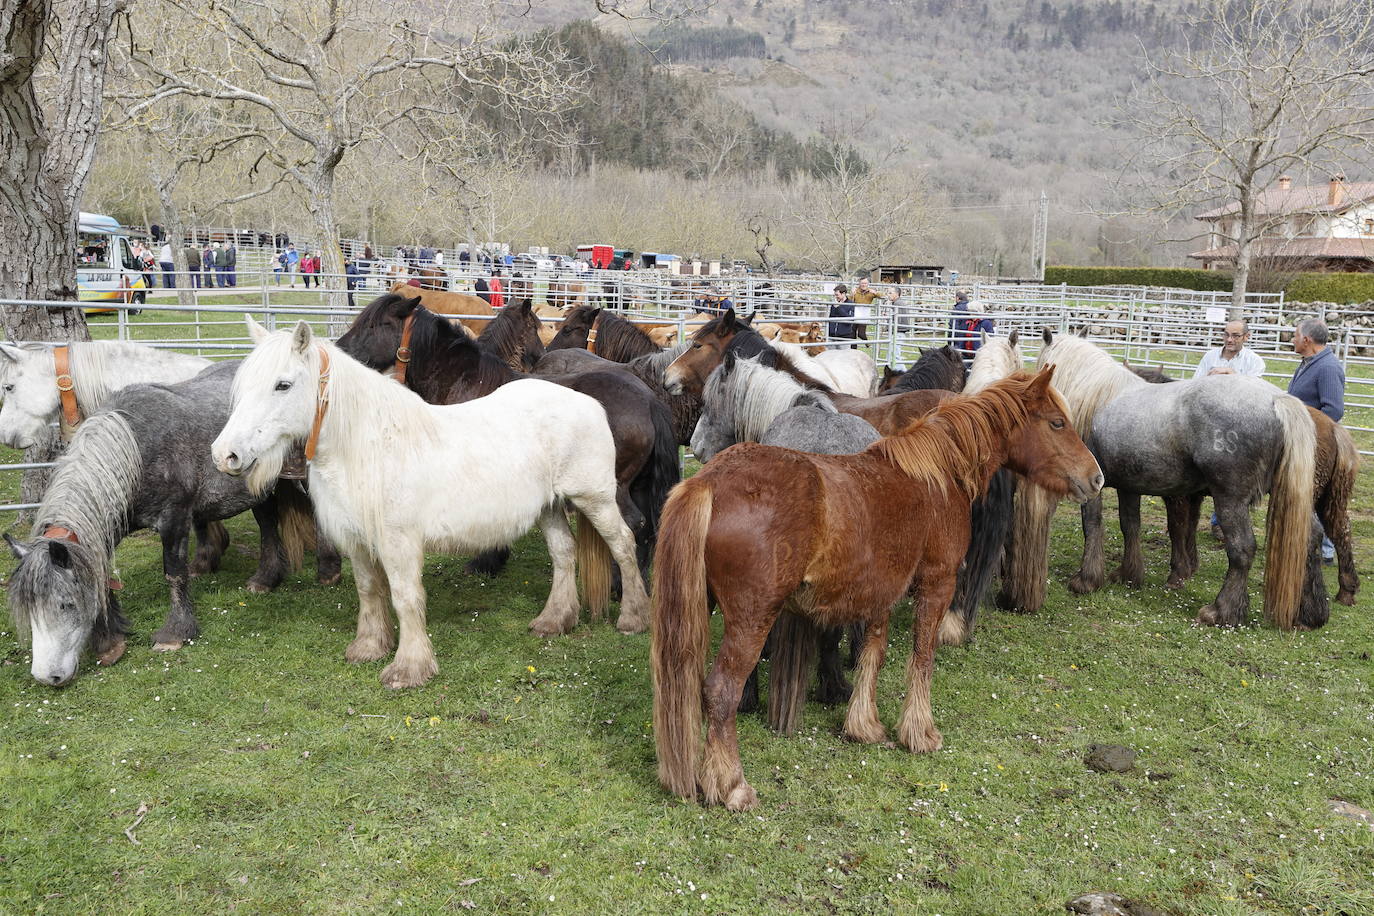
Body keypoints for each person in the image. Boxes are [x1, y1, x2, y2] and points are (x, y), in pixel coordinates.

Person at [1288, 317, 1345, 562]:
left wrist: (1306, 432)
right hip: (1304, 441)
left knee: (1321, 497)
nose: (1293, 339)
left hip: (1315, 443)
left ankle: (1327, 551)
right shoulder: (1308, 363)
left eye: (1295, 335)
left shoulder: (1328, 367)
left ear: (1307, 340)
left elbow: (1333, 410)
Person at [1194, 320, 1265, 378]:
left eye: (1236, 336)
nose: (1229, 339)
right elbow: (1196, 382)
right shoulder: (1210, 356)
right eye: (1226, 334)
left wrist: (1231, 373)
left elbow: (1253, 389)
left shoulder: (1254, 361)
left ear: (1246, 336)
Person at [851, 277, 881, 342]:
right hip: (855, 314)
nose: (863, 285)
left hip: (864, 315)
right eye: (862, 283)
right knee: (852, 334)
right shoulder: (856, 291)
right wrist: (852, 294)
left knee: (861, 333)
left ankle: (868, 343)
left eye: (865, 283)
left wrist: (875, 293)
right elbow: (849, 300)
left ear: (868, 284)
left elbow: (882, 296)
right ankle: (854, 350)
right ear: (859, 284)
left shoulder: (870, 292)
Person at [827, 283, 857, 348]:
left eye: (837, 295)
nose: (836, 297)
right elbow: (831, 317)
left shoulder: (851, 304)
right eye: (835, 295)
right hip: (832, 336)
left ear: (843, 294)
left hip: (844, 337)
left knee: (844, 357)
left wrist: (838, 307)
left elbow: (851, 319)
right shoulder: (834, 304)